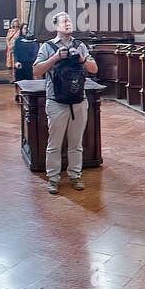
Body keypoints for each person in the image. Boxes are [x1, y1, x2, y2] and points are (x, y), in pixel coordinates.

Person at [35, 13, 98, 194]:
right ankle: (53, 178)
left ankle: (75, 175)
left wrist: (82, 59)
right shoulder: (47, 47)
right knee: (54, 144)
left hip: (79, 101)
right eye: (64, 21)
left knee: (76, 143)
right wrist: (55, 57)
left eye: (69, 20)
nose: (68, 23)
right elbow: (36, 71)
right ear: (56, 26)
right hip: (56, 102)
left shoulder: (80, 46)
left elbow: (94, 69)